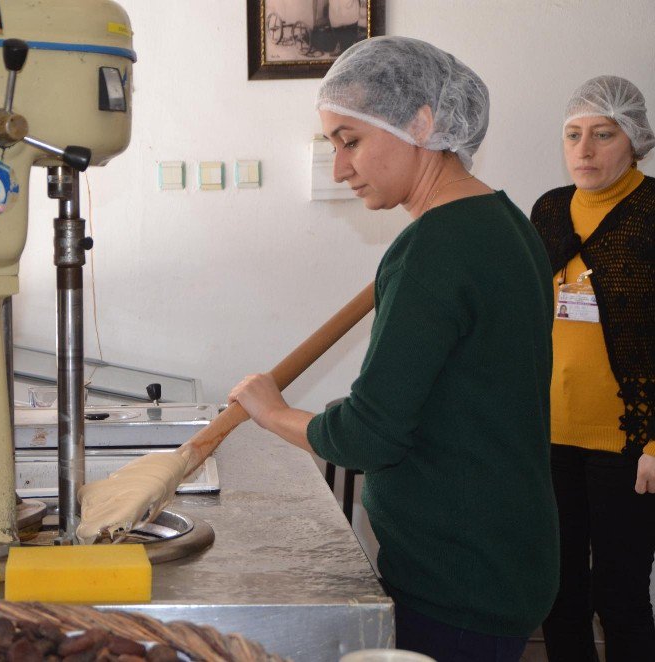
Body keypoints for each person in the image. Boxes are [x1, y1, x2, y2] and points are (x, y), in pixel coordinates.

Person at [227, 36, 558, 662]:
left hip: (457, 576)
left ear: (422, 123)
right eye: (332, 145)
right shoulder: (506, 223)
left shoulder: (434, 250)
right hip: (504, 553)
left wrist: (269, 411)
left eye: (350, 141)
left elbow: (367, 438)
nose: (340, 168)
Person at [529, 75, 655, 662]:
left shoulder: (651, 211)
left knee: (621, 593)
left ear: (634, 140)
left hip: (628, 443)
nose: (584, 149)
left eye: (603, 135)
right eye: (573, 134)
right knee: (557, 589)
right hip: (549, 435)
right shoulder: (550, 210)